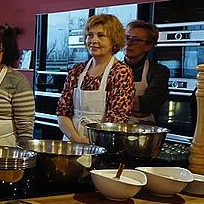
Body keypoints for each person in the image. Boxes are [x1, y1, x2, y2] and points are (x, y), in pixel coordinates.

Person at [56, 14, 135, 143]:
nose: (93, 40)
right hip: (72, 142)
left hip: (103, 144)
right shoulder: (77, 71)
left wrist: (91, 142)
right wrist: (76, 138)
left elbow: (117, 119)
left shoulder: (120, 72)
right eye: (90, 35)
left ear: (114, 40)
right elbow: (63, 112)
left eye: (101, 35)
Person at [124, 20, 170, 123]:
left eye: (135, 40)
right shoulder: (113, 69)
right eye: (126, 38)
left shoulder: (159, 71)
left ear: (148, 46)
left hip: (143, 131)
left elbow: (151, 103)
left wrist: (118, 104)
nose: (128, 43)